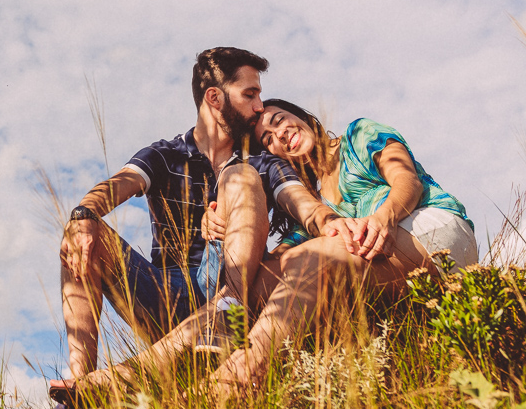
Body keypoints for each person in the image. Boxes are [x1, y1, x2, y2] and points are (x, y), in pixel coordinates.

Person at [51, 48, 327, 403]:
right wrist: (83, 216)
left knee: (240, 175)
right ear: (214, 97)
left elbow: (297, 198)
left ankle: (229, 312)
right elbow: (114, 185)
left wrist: (324, 219)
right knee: (80, 232)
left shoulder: (260, 161)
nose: (259, 106)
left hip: (227, 283)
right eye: (250, 94)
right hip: (164, 292)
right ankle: (81, 382)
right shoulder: (165, 155)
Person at [205, 98, 478, 394]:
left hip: (431, 233)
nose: (280, 135)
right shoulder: (312, 203)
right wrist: (223, 221)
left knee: (309, 259)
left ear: (304, 117)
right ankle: (167, 363)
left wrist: (385, 216)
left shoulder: (358, 135)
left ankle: (238, 377)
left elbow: (407, 180)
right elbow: (275, 265)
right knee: (256, 285)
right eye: (268, 139)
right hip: (382, 262)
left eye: (279, 120)